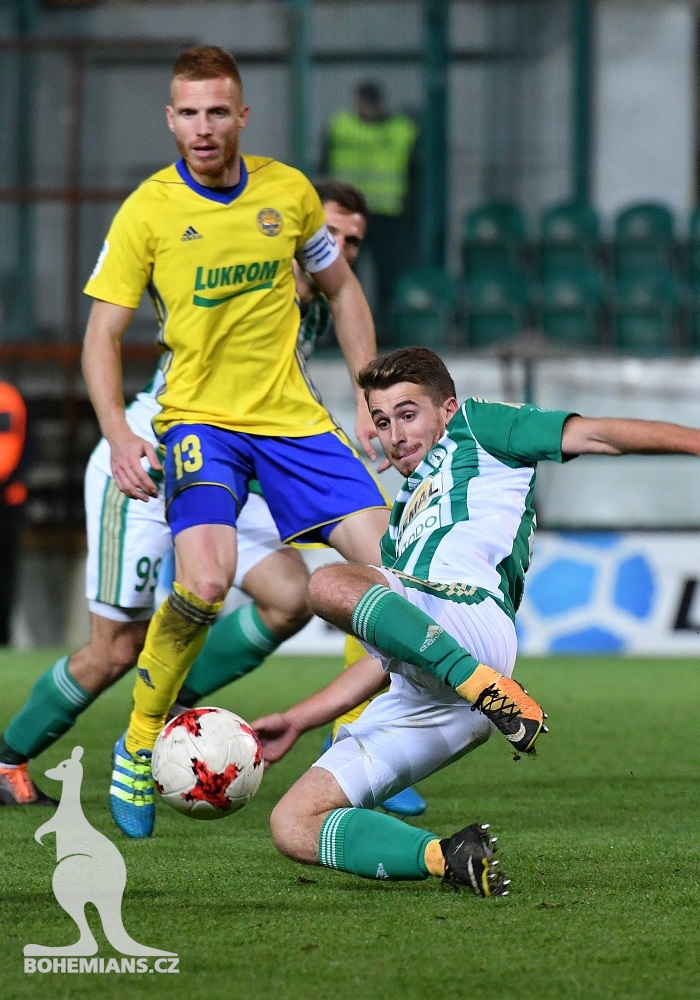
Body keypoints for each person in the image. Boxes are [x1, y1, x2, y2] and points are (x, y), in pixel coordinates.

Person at [81, 44, 403, 840]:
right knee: (205, 583)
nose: (202, 127)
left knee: (400, 574)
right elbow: (100, 336)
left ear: (242, 116)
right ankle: (139, 739)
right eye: (187, 112)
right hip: (199, 422)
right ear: (170, 118)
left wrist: (371, 398)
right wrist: (119, 432)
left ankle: (376, 740)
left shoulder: (288, 193)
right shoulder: (148, 211)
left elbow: (342, 287)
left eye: (217, 111)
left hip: (294, 422)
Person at [0, 180, 395, 812]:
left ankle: (168, 713)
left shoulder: (316, 303)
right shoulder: (244, 271)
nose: (339, 250)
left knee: (291, 597)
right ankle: (8, 757)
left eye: (352, 242)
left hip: (229, 466)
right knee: (116, 650)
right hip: (151, 465)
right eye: (329, 235)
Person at [253, 346, 700, 895]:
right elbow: (390, 654)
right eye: (381, 421)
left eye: (408, 413)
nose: (395, 434)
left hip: (469, 616)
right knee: (292, 824)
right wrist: (298, 719)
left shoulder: (479, 427)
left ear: (446, 408)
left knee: (326, 581)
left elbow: (601, 434)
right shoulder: (399, 529)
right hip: (438, 686)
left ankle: (486, 687)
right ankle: (450, 857)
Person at [321, 81, 419, 343]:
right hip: (348, 215)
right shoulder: (341, 127)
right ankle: (336, 330)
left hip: (386, 215)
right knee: (341, 273)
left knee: (384, 276)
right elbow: (324, 165)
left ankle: (382, 329)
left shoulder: (401, 131)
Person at [0, 380, 29, 647]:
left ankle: (3, 634)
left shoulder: (7, 397)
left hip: (6, 501)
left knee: (5, 571)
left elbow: (12, 450)